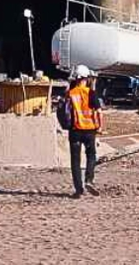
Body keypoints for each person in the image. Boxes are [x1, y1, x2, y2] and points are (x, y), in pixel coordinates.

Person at [55, 65, 105, 198]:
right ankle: (89, 180)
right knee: (91, 155)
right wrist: (100, 127)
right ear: (86, 78)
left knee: (75, 161)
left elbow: (62, 110)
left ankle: (78, 190)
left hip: (75, 131)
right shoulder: (91, 93)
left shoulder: (70, 93)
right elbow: (99, 112)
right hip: (89, 130)